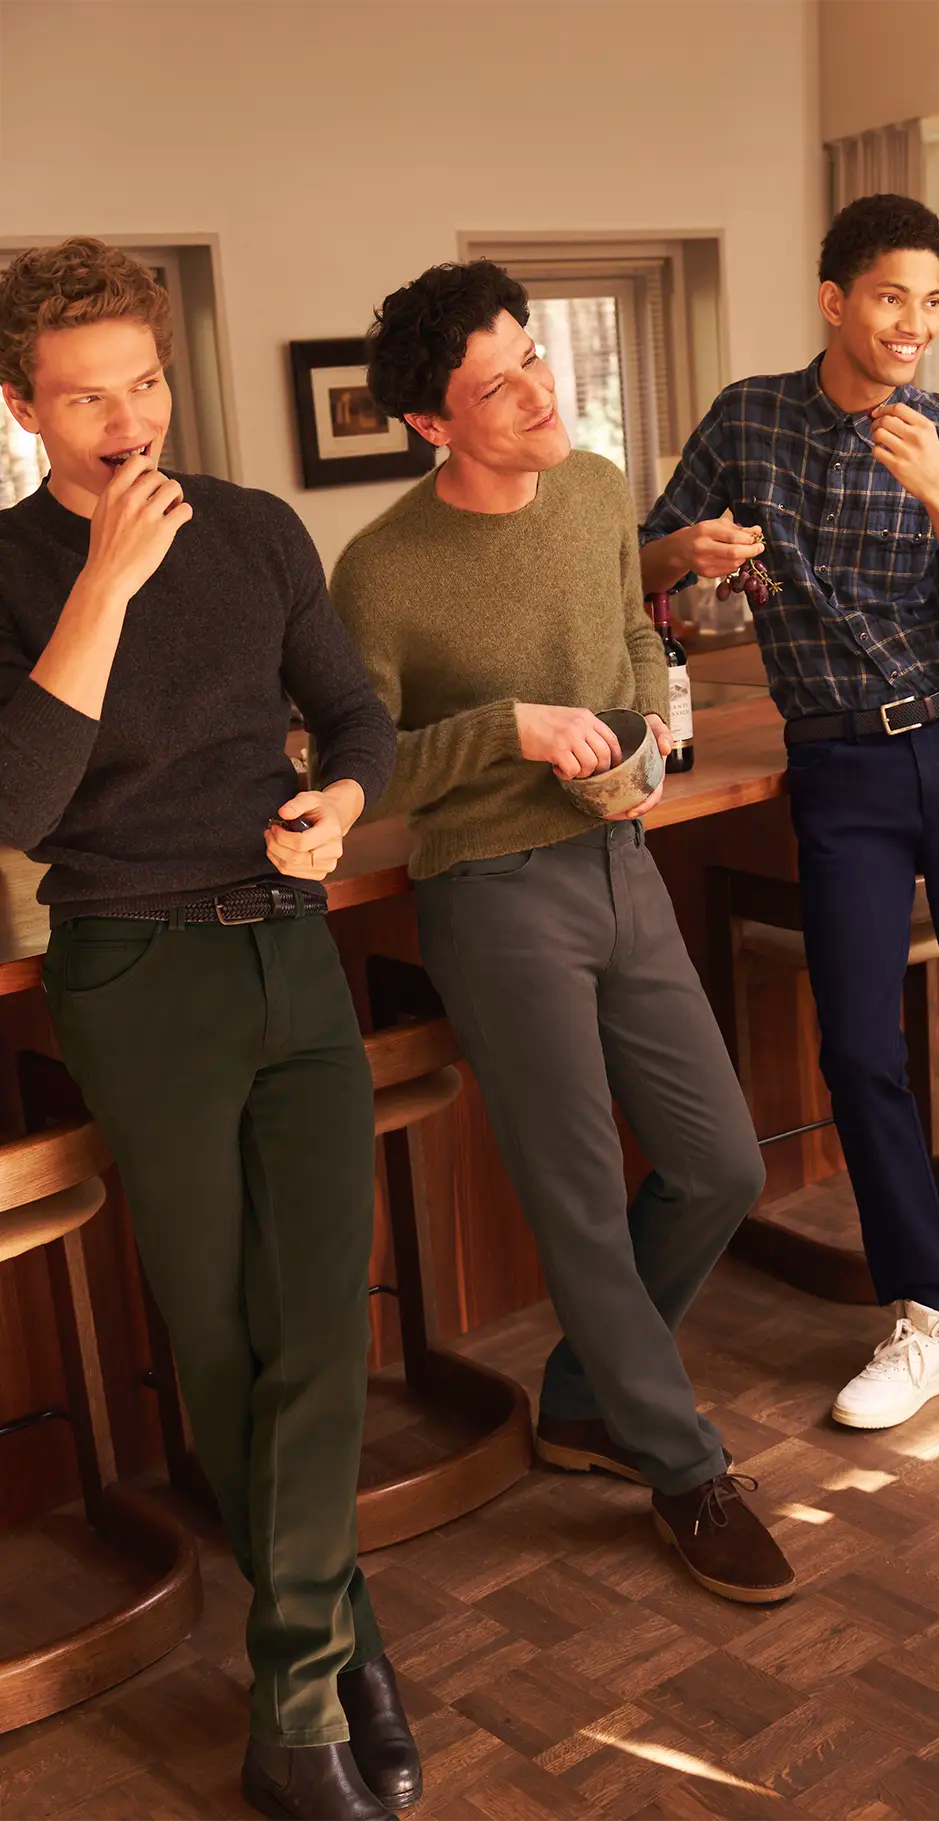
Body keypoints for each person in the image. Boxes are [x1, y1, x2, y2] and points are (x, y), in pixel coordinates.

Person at [0, 238, 420, 1821]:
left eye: (146, 386)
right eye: (85, 399)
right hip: (131, 972)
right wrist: (104, 578)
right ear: (23, 408)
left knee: (317, 1327)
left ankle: (295, 1698)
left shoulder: (255, 530)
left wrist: (341, 800)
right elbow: (17, 807)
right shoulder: (10, 569)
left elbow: (358, 712)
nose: (129, 424)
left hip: (289, 950)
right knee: (225, 1340)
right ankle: (339, 1658)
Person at [331, 259, 794, 1607]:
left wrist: (643, 740)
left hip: (618, 860)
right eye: (500, 384)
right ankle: (683, 1465)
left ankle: (587, 1396)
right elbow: (362, 768)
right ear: (432, 423)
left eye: (533, 354)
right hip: (491, 891)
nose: (541, 390)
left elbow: (634, 641)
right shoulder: (380, 570)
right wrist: (508, 731)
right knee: (579, 1198)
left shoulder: (594, 490)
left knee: (719, 1163)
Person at [641, 194, 939, 1432]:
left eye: (931, 300)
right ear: (834, 301)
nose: (914, 322)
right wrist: (688, 554)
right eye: (890, 296)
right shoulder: (748, 419)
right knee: (858, 1049)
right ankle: (925, 1314)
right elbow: (646, 559)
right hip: (840, 768)